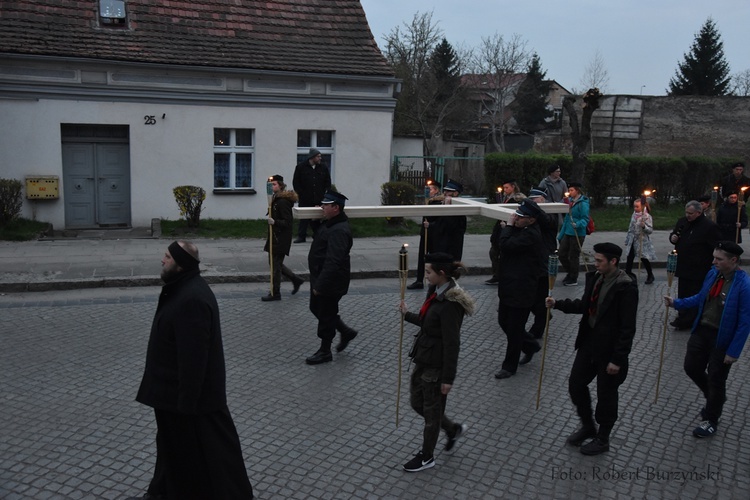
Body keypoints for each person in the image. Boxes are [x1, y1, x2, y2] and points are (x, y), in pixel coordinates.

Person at [132, 241, 254, 500]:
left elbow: (194, 359)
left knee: (212, 453)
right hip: (172, 395)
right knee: (169, 446)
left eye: (167, 256)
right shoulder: (183, 289)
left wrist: (186, 404)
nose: (162, 260)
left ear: (180, 265)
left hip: (184, 398)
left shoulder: (191, 299)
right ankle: (158, 493)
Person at [546, 243, 638, 456]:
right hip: (589, 344)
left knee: (606, 395)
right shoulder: (596, 279)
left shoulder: (626, 287)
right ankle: (588, 426)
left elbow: (627, 327)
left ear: (613, 261)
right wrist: (558, 304)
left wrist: (617, 359)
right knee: (576, 384)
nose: (595, 264)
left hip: (610, 351)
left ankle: (603, 437)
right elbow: (585, 306)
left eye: (599, 261)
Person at [664, 241, 750, 438]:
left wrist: (733, 352)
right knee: (691, 367)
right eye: (714, 257)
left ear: (733, 260)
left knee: (716, 378)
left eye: (719, 259)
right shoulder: (713, 274)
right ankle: (713, 396)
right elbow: (701, 297)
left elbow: (745, 322)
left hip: (722, 338)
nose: (714, 262)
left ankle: (711, 418)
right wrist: (677, 303)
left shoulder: (743, 286)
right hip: (702, 330)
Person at [399, 253, 475, 472]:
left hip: (436, 366)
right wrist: (407, 315)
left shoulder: (451, 302)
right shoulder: (436, 291)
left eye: (428, 272)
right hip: (423, 357)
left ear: (441, 274)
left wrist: (448, 378)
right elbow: (427, 321)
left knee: (432, 416)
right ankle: (452, 429)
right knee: (417, 404)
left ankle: (427, 456)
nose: (425, 276)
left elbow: (453, 343)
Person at [305, 190, 358, 364]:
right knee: (317, 309)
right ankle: (345, 331)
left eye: (325, 205)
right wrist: (315, 222)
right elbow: (320, 237)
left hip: (330, 282)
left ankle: (325, 351)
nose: (322, 207)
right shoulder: (330, 224)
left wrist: (320, 285)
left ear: (336, 208)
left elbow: (334, 261)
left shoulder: (339, 231)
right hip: (322, 277)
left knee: (326, 314)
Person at [494, 199, 545, 379]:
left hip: (522, 290)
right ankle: (530, 345)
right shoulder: (521, 230)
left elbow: (506, 245)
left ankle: (509, 366)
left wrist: (507, 227)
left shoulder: (531, 235)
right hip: (509, 287)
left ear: (531, 220)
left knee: (514, 329)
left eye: (521, 216)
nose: (516, 218)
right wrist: (509, 228)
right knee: (504, 322)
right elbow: (501, 243)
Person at [669, 201, 721, 330]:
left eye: (691, 213)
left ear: (699, 212)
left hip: (699, 267)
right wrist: (672, 238)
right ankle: (682, 315)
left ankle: (690, 319)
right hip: (683, 265)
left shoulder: (709, 226)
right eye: (686, 212)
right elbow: (674, 235)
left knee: (694, 293)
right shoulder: (682, 222)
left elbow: (715, 246)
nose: (688, 215)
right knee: (683, 291)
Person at [262, 174, 304, 301]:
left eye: (274, 184)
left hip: (280, 238)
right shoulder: (275, 199)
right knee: (274, 264)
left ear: (280, 186)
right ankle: (295, 279)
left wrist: (275, 222)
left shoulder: (283, 202)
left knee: (275, 266)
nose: (272, 186)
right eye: (270, 184)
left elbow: (287, 222)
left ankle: (275, 293)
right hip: (274, 237)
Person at [527, 188, 558, 339]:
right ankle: (544, 315)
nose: (534, 202)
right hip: (532, 263)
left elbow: (546, 221)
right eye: (531, 199)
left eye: (536, 199)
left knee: (540, 298)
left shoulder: (550, 214)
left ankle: (537, 330)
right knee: (530, 299)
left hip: (545, 264)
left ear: (543, 199)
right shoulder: (533, 215)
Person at [486, 182, 525, 285]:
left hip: (508, 228)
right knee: (493, 253)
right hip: (500, 227)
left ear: (513, 187)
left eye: (507, 187)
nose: (504, 190)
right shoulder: (504, 198)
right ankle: (496, 275)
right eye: (503, 188)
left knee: (503, 254)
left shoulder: (517, 199)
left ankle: (503, 275)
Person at [407, 180, 442, 290]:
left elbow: (441, 220)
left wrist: (430, 225)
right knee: (422, 256)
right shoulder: (429, 201)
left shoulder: (439, 202)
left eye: (430, 189)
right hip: (425, 233)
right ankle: (419, 280)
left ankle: (434, 279)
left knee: (433, 257)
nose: (428, 191)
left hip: (434, 234)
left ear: (436, 190)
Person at [292, 148, 331, 243]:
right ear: (312, 157)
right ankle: (301, 236)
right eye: (318, 156)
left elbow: (327, 181)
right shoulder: (301, 167)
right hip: (305, 197)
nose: (320, 158)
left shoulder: (323, 168)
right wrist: (301, 193)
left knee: (317, 217)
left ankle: (317, 235)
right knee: (304, 218)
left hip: (319, 197)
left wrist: (326, 193)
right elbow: (296, 182)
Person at [557, 182, 590, 287]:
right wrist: (561, 234)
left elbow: (585, 219)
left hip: (577, 233)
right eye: (569, 190)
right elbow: (567, 219)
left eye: (572, 190)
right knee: (562, 253)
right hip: (567, 231)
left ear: (577, 191)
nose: (570, 192)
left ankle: (573, 277)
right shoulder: (570, 202)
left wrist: (578, 224)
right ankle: (570, 272)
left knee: (573, 255)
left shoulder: (583, 203)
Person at [431, 179, 467, 261]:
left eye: (448, 192)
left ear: (455, 193)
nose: (445, 193)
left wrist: (447, 208)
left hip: (450, 249)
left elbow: (452, 227)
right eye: (445, 191)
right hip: (439, 245)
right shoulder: (441, 203)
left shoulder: (459, 210)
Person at [623, 197, 656, 284]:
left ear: (642, 206)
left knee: (643, 258)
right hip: (632, 239)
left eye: (637, 207)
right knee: (629, 257)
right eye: (634, 207)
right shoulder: (634, 215)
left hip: (642, 241)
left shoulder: (647, 217)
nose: (635, 209)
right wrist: (627, 239)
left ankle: (650, 275)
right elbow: (630, 228)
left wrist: (644, 226)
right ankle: (628, 274)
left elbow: (650, 230)